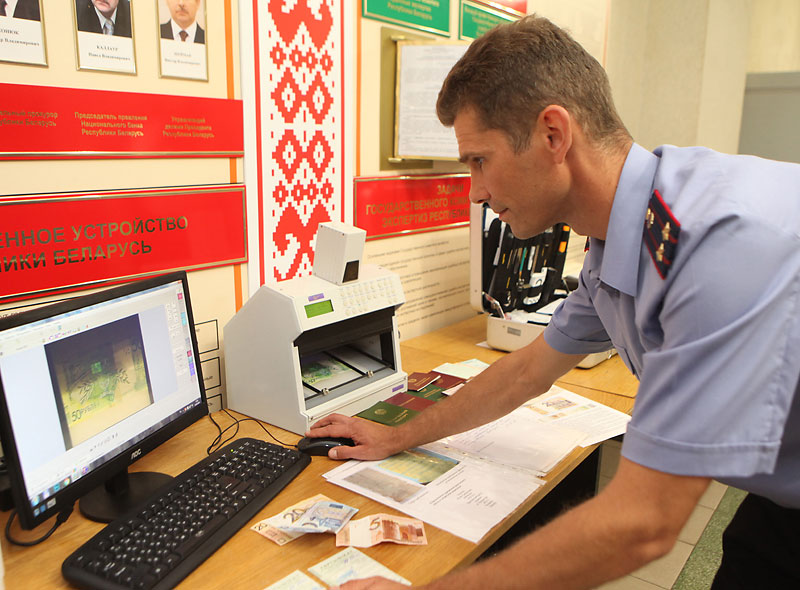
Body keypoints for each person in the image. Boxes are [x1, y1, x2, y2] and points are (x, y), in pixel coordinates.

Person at [306, 14, 800, 590]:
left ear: (553, 135)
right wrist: (398, 435)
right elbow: (525, 372)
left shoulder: (717, 244)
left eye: (479, 160)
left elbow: (644, 524)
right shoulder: (623, 236)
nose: (476, 191)